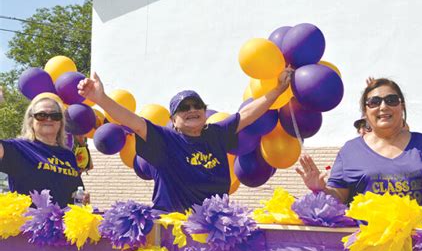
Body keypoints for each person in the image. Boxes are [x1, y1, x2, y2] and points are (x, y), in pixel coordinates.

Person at [78, 70, 291, 213]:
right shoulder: (164, 139)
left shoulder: (216, 134)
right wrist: (101, 99)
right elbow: (134, 122)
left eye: (197, 105)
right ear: (173, 120)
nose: (192, 110)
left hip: (214, 230)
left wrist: (278, 91)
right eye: (184, 108)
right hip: (174, 232)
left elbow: (248, 114)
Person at [297, 78, 422, 222]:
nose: (383, 107)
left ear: (402, 106)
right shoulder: (350, 150)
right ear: (365, 111)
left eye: (391, 100)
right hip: (367, 248)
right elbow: (339, 197)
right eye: (374, 102)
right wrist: (321, 189)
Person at [0, 94, 87, 208]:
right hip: (30, 223)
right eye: (41, 115)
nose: (49, 119)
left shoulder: (68, 155)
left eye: (55, 115)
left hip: (62, 224)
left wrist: (81, 197)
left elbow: (75, 193)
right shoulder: (18, 148)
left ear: (61, 122)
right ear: (31, 120)